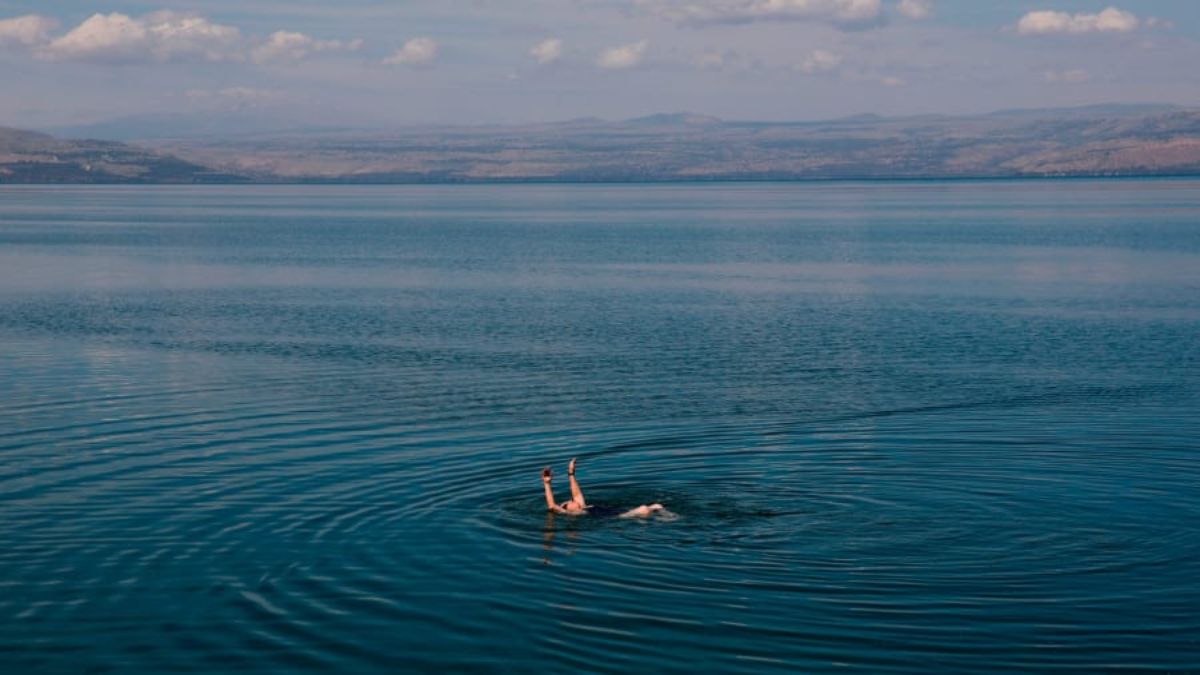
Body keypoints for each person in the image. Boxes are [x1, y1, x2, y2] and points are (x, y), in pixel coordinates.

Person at [541, 457, 667, 518]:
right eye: (569, 503)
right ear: (568, 510)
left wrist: (571, 473)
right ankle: (666, 519)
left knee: (657, 505)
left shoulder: (583, 506)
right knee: (644, 509)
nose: (572, 501)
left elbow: (577, 494)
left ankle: (668, 517)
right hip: (621, 516)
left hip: (618, 510)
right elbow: (552, 505)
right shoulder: (578, 513)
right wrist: (547, 484)